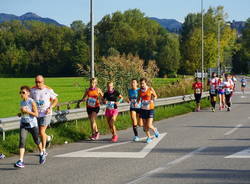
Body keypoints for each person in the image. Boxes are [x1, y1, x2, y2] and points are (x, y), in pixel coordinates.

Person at [14, 86, 46, 168]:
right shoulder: (22, 102)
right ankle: (21, 160)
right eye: (20, 92)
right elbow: (24, 113)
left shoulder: (32, 102)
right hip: (24, 124)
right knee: (22, 140)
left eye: (23, 92)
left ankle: (42, 152)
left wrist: (27, 111)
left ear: (28, 93)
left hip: (32, 125)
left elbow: (36, 114)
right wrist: (20, 114)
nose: (21, 94)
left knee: (36, 140)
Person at [30, 75, 58, 156]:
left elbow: (55, 100)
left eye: (39, 82)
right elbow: (29, 100)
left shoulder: (48, 90)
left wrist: (50, 107)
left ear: (43, 81)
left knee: (42, 131)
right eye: (36, 82)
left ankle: (43, 150)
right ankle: (48, 138)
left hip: (46, 113)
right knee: (39, 133)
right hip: (36, 114)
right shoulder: (32, 90)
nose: (38, 84)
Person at [138, 78, 159, 143]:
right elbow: (138, 98)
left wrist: (152, 100)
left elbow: (155, 96)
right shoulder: (139, 91)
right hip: (143, 109)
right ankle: (149, 137)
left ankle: (155, 130)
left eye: (143, 83)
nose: (142, 85)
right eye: (141, 83)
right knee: (145, 125)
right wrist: (138, 103)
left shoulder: (150, 89)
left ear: (146, 83)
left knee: (149, 125)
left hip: (150, 108)